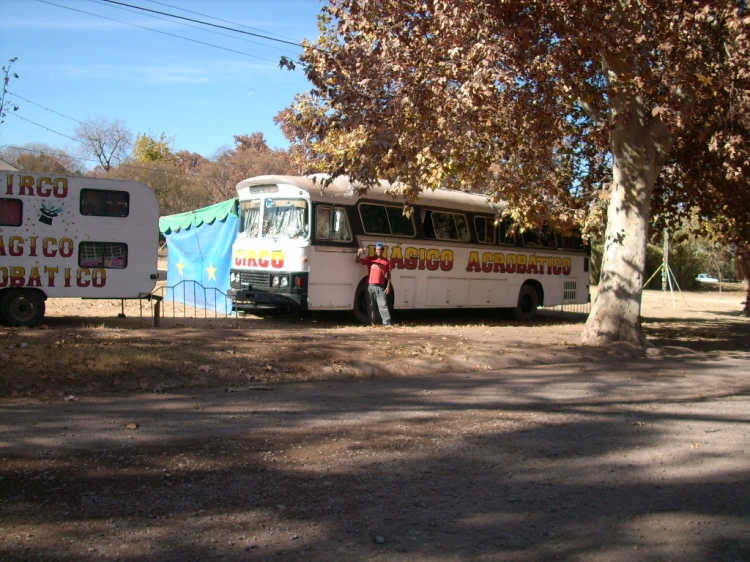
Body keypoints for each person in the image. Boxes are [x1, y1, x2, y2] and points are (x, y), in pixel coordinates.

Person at [355, 242, 393, 326]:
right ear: (375, 250)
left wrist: (388, 286)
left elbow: (389, 275)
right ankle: (371, 323)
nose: (379, 251)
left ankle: (387, 323)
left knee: (383, 305)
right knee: (370, 305)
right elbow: (357, 261)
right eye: (377, 249)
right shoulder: (370, 259)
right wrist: (358, 253)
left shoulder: (386, 261)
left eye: (380, 249)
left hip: (381, 286)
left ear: (383, 250)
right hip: (370, 285)